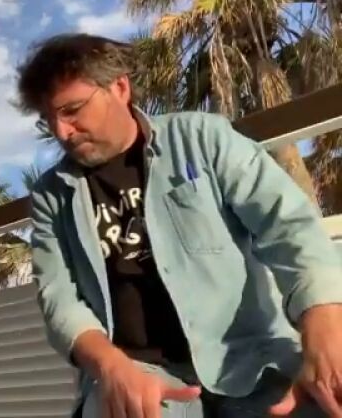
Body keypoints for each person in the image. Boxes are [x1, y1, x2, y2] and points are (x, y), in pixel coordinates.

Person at [19, 33, 342, 418]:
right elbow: (60, 299)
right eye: (49, 119)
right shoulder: (52, 195)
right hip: (140, 375)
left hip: (253, 358)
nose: (61, 132)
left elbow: (287, 225)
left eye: (72, 110)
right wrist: (111, 367)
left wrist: (324, 323)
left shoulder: (202, 138)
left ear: (119, 88)